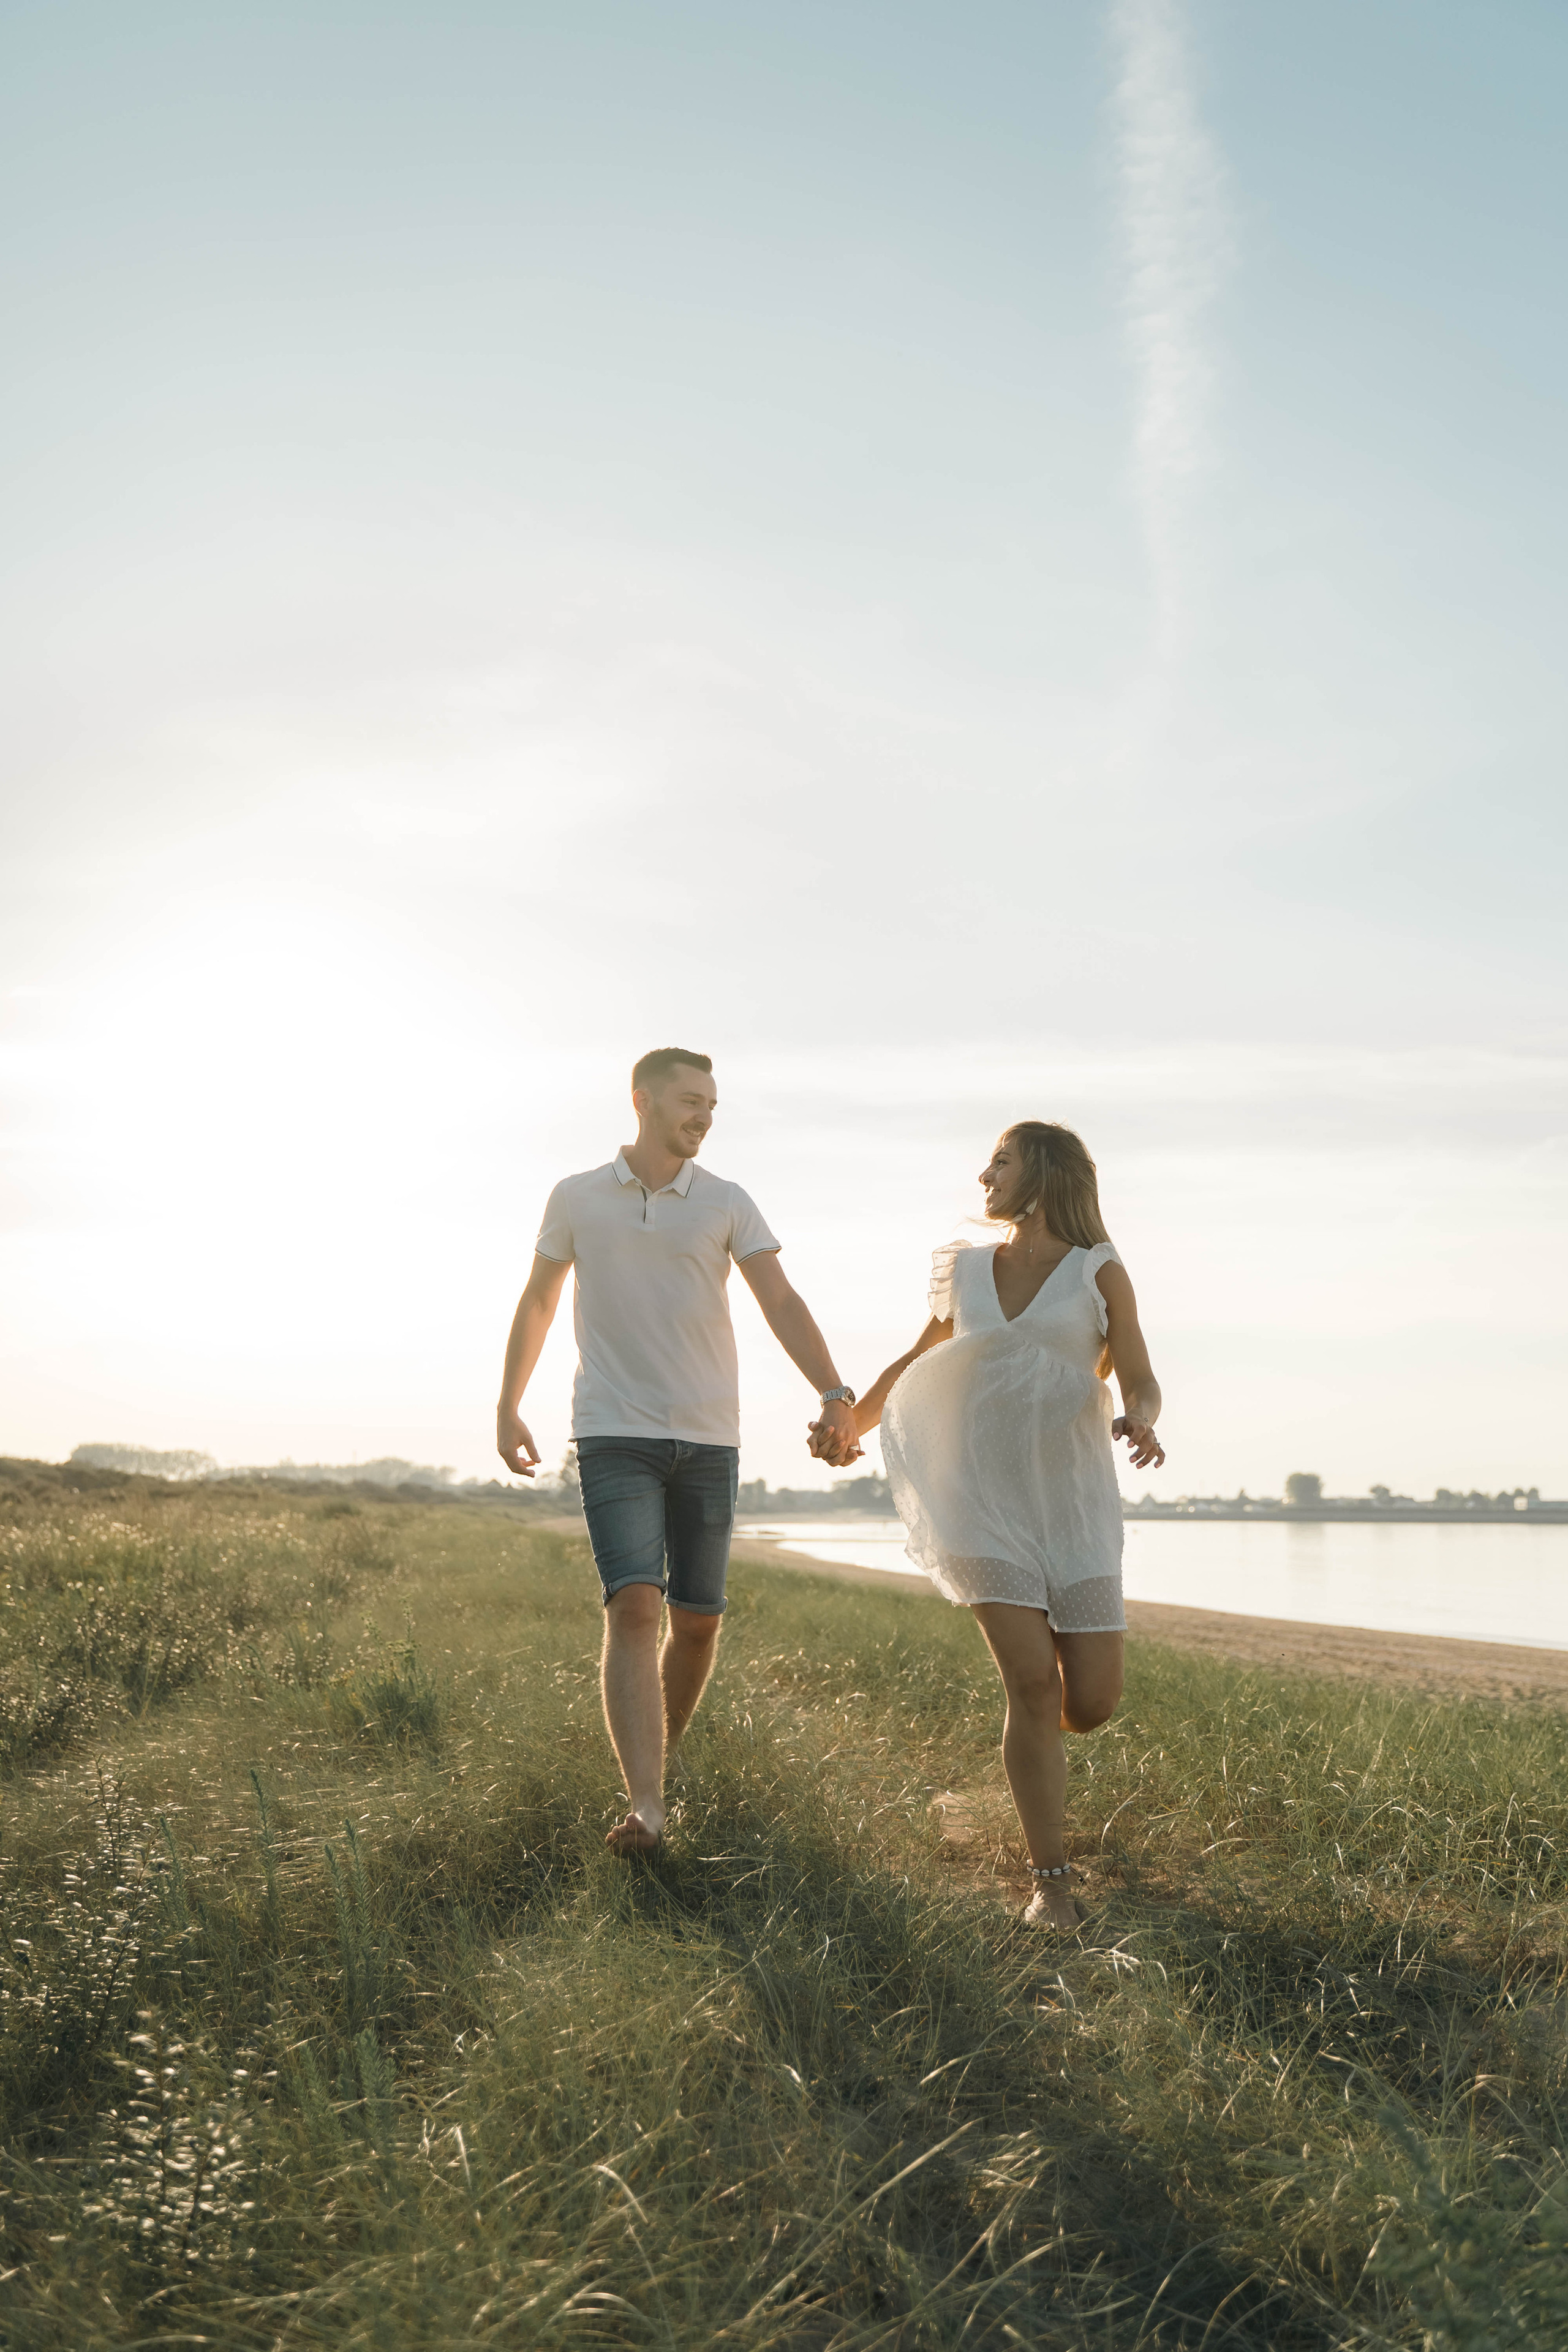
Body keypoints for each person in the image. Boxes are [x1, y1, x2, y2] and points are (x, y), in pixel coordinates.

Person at [497, 1048, 860, 1854]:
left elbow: (781, 1299)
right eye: (691, 1101)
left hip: (708, 1437)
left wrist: (836, 1392)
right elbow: (539, 1301)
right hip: (612, 1431)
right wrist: (508, 1405)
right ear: (644, 1101)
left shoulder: (727, 1202)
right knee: (635, 1604)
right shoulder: (578, 1196)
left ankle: (658, 1757)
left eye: (712, 1105)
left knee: (697, 1623)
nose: (703, 1116)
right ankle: (648, 1804)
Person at [826, 1121, 1164, 1929]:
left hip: (1072, 1504)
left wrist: (1143, 1421)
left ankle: (1028, 1755)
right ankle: (1051, 1881)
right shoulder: (966, 1270)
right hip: (976, 1501)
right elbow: (910, 1365)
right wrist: (851, 1424)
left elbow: (1143, 1377)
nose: (986, 1174)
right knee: (1029, 1682)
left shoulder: (1098, 1271)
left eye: (1003, 1161)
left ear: (1045, 1172)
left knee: (1091, 1701)